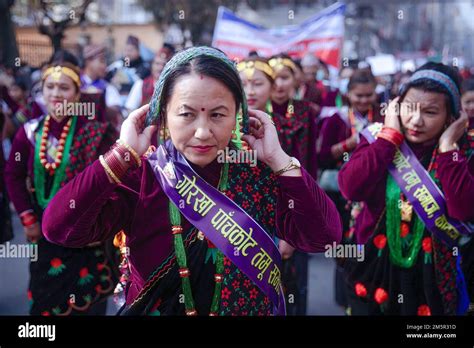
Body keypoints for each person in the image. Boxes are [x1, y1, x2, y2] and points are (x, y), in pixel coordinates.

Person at [42, 46, 342, 316]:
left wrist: (279, 160)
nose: (202, 132)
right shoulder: (143, 173)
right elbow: (58, 228)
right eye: (186, 114)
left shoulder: (257, 172)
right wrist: (121, 155)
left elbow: (324, 237)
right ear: (161, 114)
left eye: (218, 115)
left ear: (239, 113)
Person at [338, 62, 474, 315]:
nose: (416, 120)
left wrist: (446, 147)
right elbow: (350, 188)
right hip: (373, 268)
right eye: (408, 108)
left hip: (433, 276)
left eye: (431, 112)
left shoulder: (463, 153)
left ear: (451, 117)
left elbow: (463, 209)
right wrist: (389, 137)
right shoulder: (378, 138)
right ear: (395, 106)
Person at [4, 52, 118, 315]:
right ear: (41, 92)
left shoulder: (94, 132)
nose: (56, 93)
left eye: (64, 87)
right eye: (50, 87)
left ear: (77, 95)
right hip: (44, 234)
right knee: (47, 302)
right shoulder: (30, 131)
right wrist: (27, 217)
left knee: (89, 302)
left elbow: (109, 179)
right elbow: (13, 174)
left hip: (84, 236)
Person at [125, 44, 175, 113]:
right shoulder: (141, 84)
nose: (160, 68)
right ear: (152, 65)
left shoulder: (173, 86)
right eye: (157, 64)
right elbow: (130, 109)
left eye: (164, 64)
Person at [81, 44, 121, 109]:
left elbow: (115, 111)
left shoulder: (107, 88)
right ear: (88, 61)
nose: (105, 66)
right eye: (101, 61)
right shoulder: (75, 83)